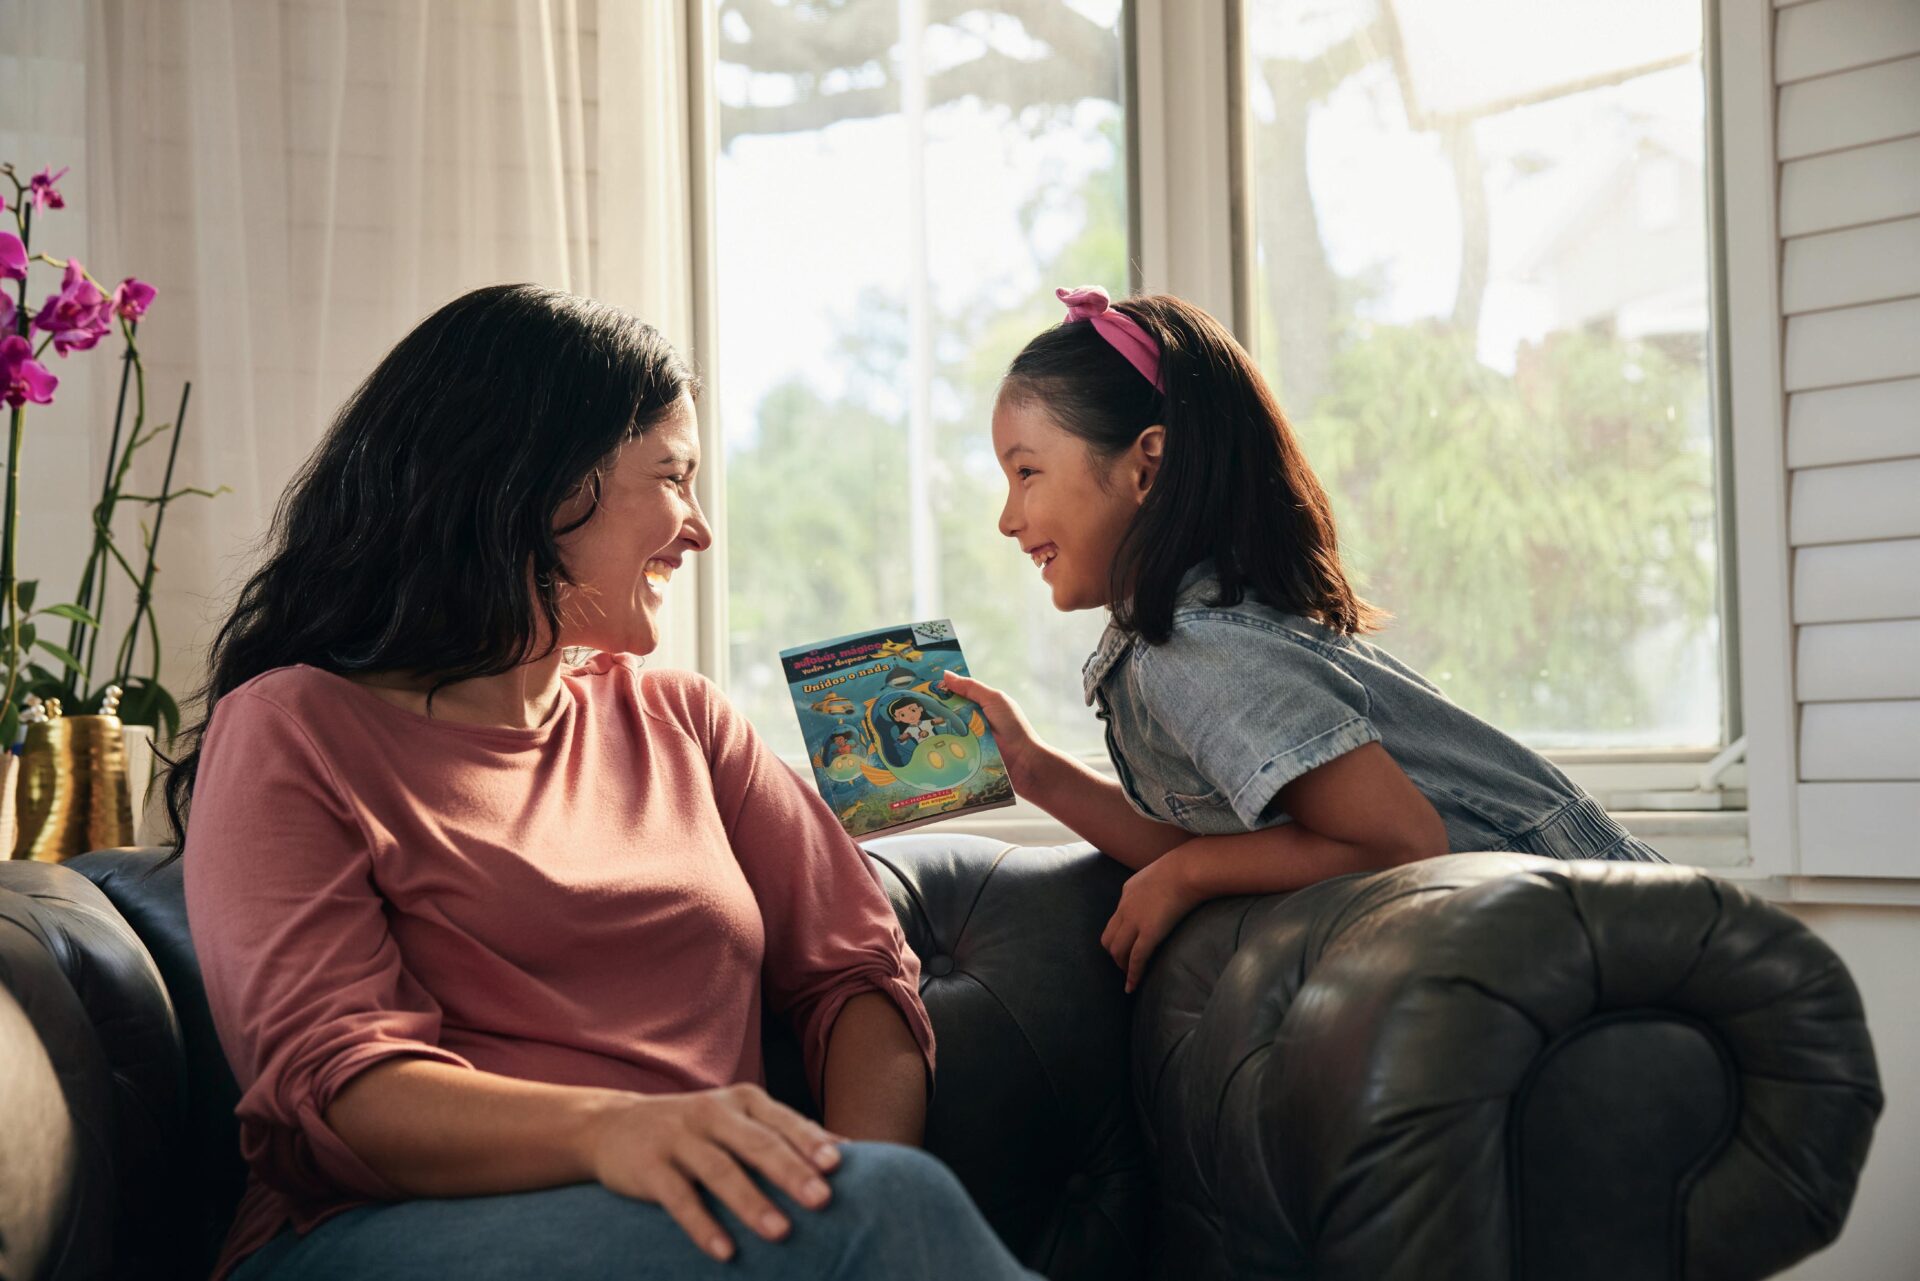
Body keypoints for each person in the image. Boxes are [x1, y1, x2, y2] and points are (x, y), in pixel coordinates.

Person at [164, 284, 1039, 1281]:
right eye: (672, 478)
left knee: (890, 1202)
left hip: (701, 1233)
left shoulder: (685, 722)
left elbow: (858, 974)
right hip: (375, 1238)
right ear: (530, 489)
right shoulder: (291, 729)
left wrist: (846, 1188)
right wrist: (619, 1133)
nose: (699, 530)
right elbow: (343, 1085)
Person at [942, 285, 1666, 995]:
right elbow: (1233, 846)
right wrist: (1032, 769)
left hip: (1618, 950)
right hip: (1575, 941)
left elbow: (1398, 842)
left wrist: (1184, 876)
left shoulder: (1198, 651)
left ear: (1146, 464)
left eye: (1027, 471)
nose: (1009, 518)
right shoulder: (1176, 643)